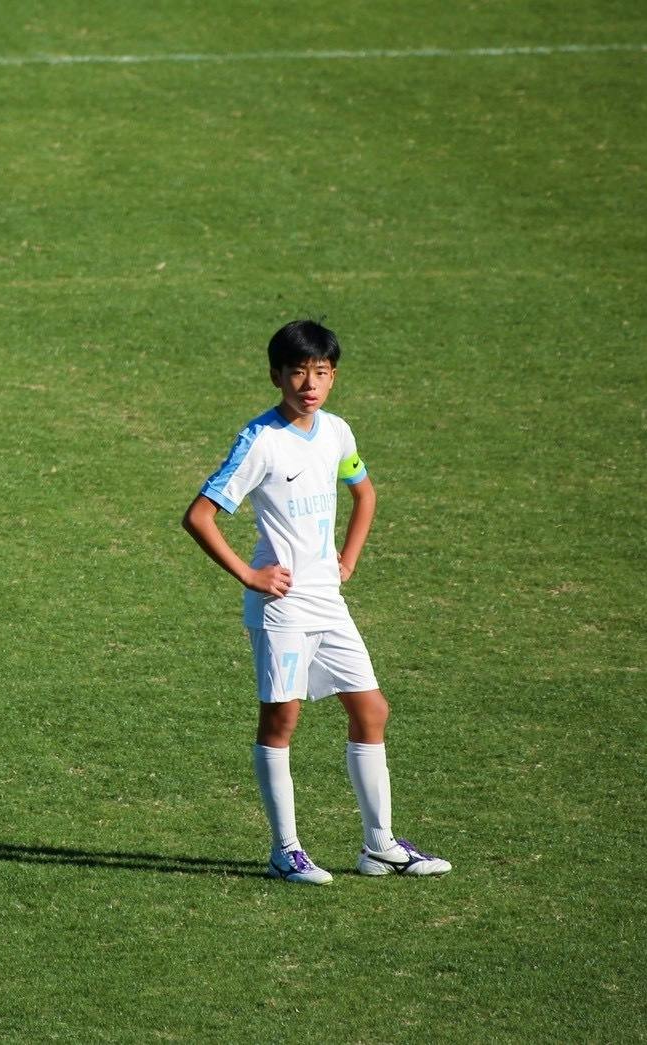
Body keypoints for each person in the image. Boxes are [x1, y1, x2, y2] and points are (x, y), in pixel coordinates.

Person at [181, 319, 451, 885]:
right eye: (299, 372)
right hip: (281, 608)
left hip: (328, 603)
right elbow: (199, 516)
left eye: (321, 372)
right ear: (276, 375)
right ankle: (285, 851)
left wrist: (346, 559)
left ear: (333, 377)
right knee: (282, 720)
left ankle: (380, 846)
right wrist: (249, 575)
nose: (310, 384)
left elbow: (364, 493)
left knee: (371, 710)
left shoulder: (337, 433)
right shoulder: (259, 441)